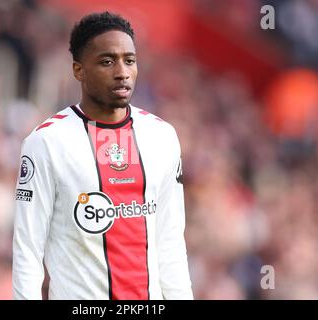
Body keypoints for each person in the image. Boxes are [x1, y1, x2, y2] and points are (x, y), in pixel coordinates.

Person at [12, 11, 193, 300]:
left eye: (129, 60)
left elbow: (170, 243)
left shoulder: (163, 137)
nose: (122, 71)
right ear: (78, 70)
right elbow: (27, 250)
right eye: (107, 61)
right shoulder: (46, 142)